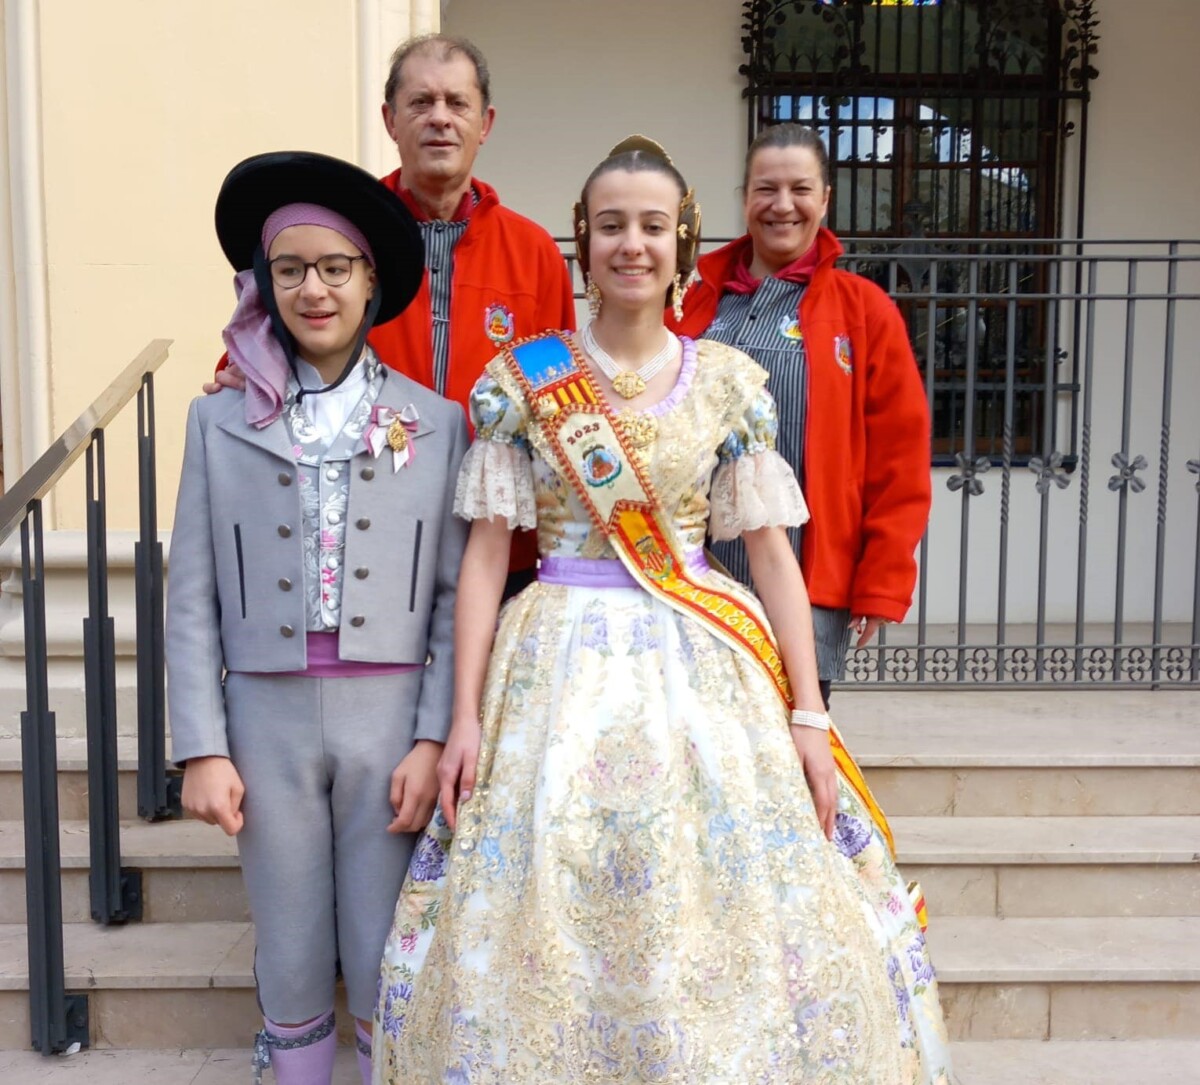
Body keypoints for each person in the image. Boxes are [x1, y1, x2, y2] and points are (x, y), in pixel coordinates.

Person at [371, 138, 951, 1084]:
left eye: (652, 226)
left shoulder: (727, 383)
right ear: (583, 243)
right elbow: (483, 560)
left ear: (682, 245)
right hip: (552, 651)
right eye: (610, 227)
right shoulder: (524, 382)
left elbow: (771, 555)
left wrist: (809, 711)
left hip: (700, 656)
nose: (630, 245)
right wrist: (465, 713)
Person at [167, 151, 468, 1085]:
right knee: (292, 947)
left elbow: (458, 601)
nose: (313, 289)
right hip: (265, 719)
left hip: (389, 730)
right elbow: (190, 593)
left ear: (371, 280)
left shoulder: (437, 421)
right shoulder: (218, 422)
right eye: (289, 269)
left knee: (386, 951)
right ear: (265, 284)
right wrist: (202, 746)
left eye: (335, 268)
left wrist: (430, 736)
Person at [209, 33, 574, 594]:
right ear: (390, 119)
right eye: (421, 103)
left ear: (486, 122)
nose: (440, 119)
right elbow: (274, 327)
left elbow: (559, 399)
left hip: (498, 541)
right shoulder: (344, 230)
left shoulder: (535, 253)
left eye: (457, 103)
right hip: (368, 527)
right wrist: (243, 373)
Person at [669, 124, 932, 703]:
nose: (781, 205)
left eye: (800, 189)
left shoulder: (864, 312)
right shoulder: (691, 299)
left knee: (792, 750)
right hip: (692, 578)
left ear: (825, 199)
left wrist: (882, 582)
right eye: (766, 189)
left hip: (808, 580)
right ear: (744, 197)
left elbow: (900, 457)